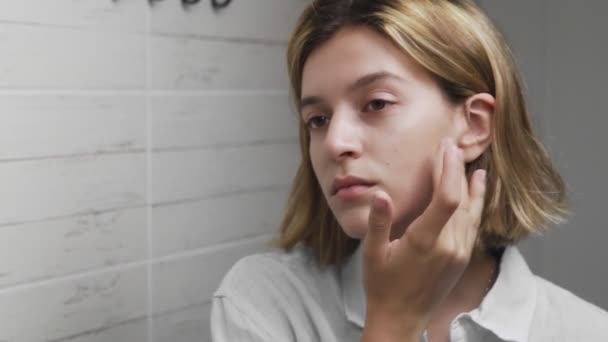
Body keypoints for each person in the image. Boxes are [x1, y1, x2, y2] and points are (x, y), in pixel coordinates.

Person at [211, 0, 608, 341]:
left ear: (474, 126)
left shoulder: (586, 332)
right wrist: (393, 321)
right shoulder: (267, 303)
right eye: (317, 119)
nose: (334, 142)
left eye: (377, 104)